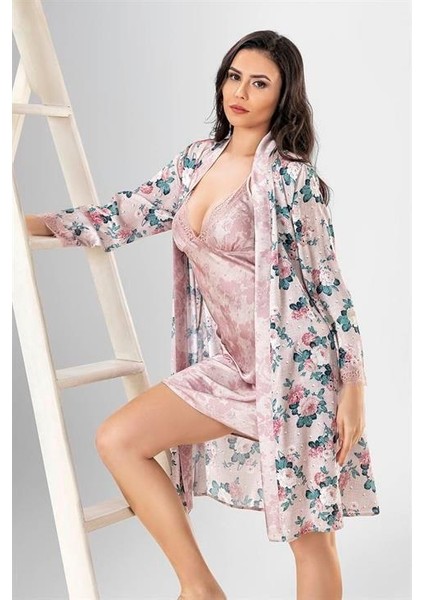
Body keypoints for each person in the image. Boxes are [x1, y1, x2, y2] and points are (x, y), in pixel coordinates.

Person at [26, 30, 380, 600]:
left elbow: (330, 287)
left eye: (259, 83)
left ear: (283, 96)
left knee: (310, 538)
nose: (240, 92)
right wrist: (23, 222)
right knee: (119, 439)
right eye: (234, 77)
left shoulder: (292, 180)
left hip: (298, 374)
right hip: (233, 367)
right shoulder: (196, 161)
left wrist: (354, 389)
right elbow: (126, 214)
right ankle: (200, 589)